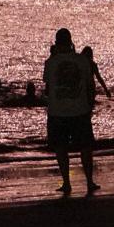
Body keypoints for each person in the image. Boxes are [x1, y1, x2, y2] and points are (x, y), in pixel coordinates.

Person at [42, 27, 98, 197]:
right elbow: (90, 86)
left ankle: (66, 182)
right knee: (85, 147)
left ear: (57, 43)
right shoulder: (82, 61)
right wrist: (89, 106)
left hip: (57, 112)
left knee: (61, 148)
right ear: (71, 42)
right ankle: (89, 181)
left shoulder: (50, 63)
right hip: (80, 110)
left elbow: (47, 89)